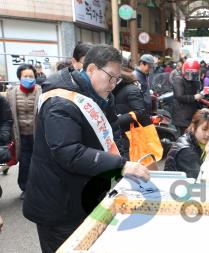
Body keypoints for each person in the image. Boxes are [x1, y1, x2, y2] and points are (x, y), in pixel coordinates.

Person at [22, 44, 149, 253]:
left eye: (117, 79)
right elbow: (68, 152)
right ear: (91, 69)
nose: (113, 84)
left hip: (84, 195)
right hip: (58, 204)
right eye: (110, 77)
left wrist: (123, 166)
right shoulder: (60, 101)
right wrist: (121, 165)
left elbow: (113, 134)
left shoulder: (101, 95)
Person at [6, 64, 42, 199]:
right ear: (19, 77)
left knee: (39, 162)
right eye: (25, 76)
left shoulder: (41, 91)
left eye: (31, 76)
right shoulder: (11, 93)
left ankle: (39, 188)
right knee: (24, 162)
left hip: (37, 134)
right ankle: (25, 188)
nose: (28, 78)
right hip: (20, 135)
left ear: (35, 77)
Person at [165, 109, 209, 179]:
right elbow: (199, 179)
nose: (208, 134)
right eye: (204, 129)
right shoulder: (187, 152)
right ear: (193, 127)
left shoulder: (192, 140)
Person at [113, 62, 150, 156]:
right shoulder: (117, 90)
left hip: (131, 133)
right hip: (122, 132)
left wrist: (116, 120)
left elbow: (140, 111)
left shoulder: (131, 89)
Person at [172, 59, 202, 135]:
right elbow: (179, 96)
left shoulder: (194, 82)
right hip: (182, 117)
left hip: (191, 115)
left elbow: (196, 93)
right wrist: (194, 97)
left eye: (194, 74)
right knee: (184, 138)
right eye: (189, 73)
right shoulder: (178, 80)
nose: (191, 76)